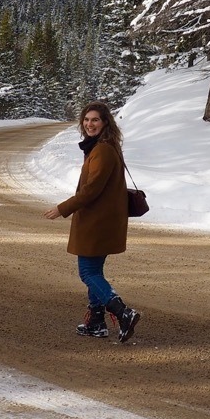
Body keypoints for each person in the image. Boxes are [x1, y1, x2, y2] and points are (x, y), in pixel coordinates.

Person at [44, 101, 141, 342]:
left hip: (98, 222)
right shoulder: (100, 147)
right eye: (86, 120)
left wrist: (62, 208)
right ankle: (96, 322)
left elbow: (91, 191)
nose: (90, 124)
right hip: (101, 220)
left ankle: (122, 311)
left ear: (105, 122)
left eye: (95, 120)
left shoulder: (103, 150)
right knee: (94, 270)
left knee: (88, 272)